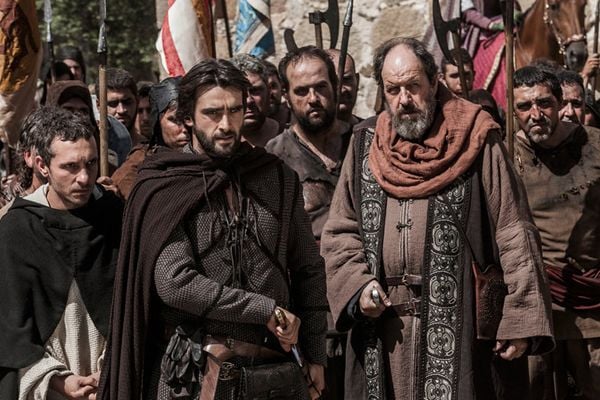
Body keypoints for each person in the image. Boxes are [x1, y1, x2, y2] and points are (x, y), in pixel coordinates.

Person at [321, 37, 554, 399]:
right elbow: (340, 231)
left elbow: (513, 229)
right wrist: (357, 285)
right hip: (383, 334)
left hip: (461, 328)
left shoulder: (477, 135)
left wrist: (520, 316)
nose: (404, 99)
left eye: (413, 86)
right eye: (393, 90)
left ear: (434, 82)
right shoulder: (365, 142)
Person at [99, 58, 327, 400]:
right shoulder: (165, 185)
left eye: (234, 110)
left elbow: (308, 268)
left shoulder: (276, 176)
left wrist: (315, 352)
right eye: (212, 113)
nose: (225, 124)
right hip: (191, 378)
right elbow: (174, 282)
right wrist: (264, 309)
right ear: (188, 116)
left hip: (271, 374)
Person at [0, 106, 123, 399]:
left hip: (113, 378)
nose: (84, 178)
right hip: (45, 385)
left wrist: (112, 368)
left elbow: (133, 305)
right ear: (42, 165)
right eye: (70, 167)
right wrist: (58, 380)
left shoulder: (115, 215)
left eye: (91, 164)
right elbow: (9, 327)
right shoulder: (17, 229)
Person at [266, 46, 352, 398]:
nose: (313, 98)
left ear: (335, 87)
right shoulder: (273, 160)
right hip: (312, 322)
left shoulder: (367, 142)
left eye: (320, 87)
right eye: (301, 91)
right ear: (286, 96)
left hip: (369, 309)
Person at [511, 66, 600, 400]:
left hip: (592, 305)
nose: (535, 115)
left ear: (560, 103)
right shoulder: (505, 155)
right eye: (524, 106)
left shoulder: (595, 144)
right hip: (538, 309)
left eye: (544, 103)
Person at [112, 77, 188, 199]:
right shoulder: (140, 160)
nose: (185, 128)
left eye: (189, 118)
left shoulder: (210, 155)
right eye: (175, 120)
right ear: (158, 122)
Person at [230, 54, 280, 147]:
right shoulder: (218, 147)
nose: (249, 100)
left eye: (255, 91)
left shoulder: (291, 139)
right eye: (240, 93)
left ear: (268, 91)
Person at [325, 49, 362, 126]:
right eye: (332, 81)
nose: (341, 90)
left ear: (357, 81)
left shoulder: (372, 130)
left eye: (346, 79)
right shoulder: (304, 133)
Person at [264, 60, 291, 133]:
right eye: (263, 88)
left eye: (273, 86)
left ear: (281, 86)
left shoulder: (298, 119)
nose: (269, 94)